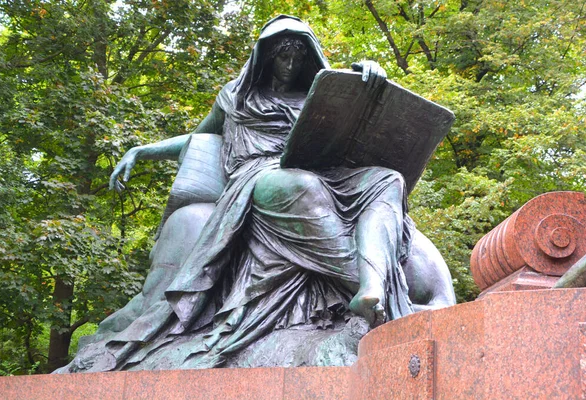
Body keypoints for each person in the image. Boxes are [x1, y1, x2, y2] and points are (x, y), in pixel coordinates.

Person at [58, 15, 455, 373]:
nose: (291, 63)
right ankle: (368, 288)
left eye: (299, 55)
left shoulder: (321, 94)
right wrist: (143, 150)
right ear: (265, 56)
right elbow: (201, 136)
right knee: (298, 185)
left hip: (326, 168)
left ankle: (372, 288)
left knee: (388, 179)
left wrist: (371, 81)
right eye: (283, 54)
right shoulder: (236, 97)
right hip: (260, 176)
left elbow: (357, 127)